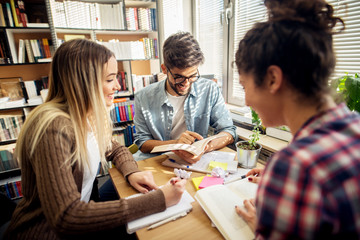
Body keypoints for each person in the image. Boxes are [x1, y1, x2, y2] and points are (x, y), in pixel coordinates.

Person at [4, 39, 187, 239]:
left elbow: (115, 149)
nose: (117, 85)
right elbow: (67, 217)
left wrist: (132, 172)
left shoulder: (86, 117)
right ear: (83, 83)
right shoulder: (54, 128)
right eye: (110, 79)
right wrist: (160, 199)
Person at [233, 0, 360, 239]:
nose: (247, 100)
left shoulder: (294, 167)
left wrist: (264, 226)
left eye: (244, 85)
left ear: (272, 78)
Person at [134, 32, 236, 163]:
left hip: (195, 161)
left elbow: (228, 131)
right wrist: (176, 144)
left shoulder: (209, 89)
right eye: (179, 77)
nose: (186, 83)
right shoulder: (143, 97)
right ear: (164, 69)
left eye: (193, 75)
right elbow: (142, 143)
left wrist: (205, 147)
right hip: (157, 161)